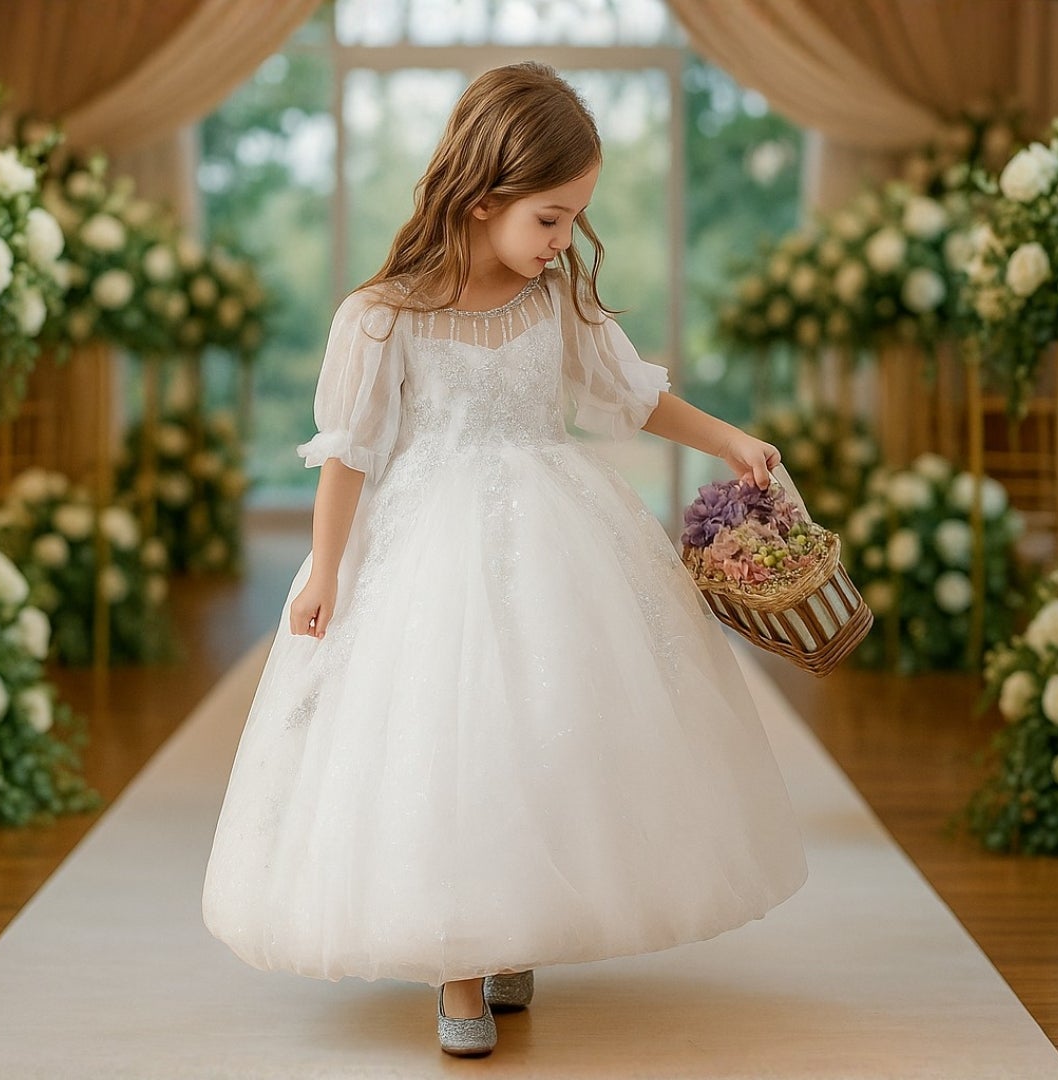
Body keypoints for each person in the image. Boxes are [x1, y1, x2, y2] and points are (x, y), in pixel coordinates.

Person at [202, 61, 808, 1058]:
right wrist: (325, 571)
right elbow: (349, 455)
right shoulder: (383, 315)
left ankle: (515, 917)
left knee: (544, 733)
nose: (565, 240)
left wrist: (729, 439)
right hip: (428, 549)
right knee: (448, 742)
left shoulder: (554, 301)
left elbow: (631, 395)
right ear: (483, 201)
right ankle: (459, 967)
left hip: (554, 535)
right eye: (551, 219)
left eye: (574, 220)